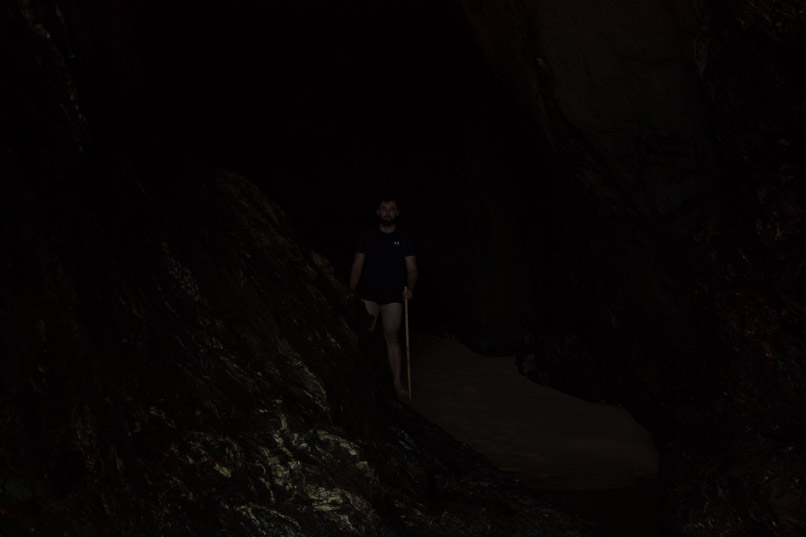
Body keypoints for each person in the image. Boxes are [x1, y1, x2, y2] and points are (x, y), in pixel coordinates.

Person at [349, 197, 418, 397]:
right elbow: (357, 266)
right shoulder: (367, 237)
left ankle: (396, 383)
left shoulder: (404, 239)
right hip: (368, 294)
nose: (387, 212)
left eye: (391, 209)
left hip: (393, 295)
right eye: (384, 208)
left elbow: (412, 269)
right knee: (366, 336)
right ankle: (365, 382)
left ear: (397, 213)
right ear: (378, 212)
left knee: (392, 337)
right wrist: (350, 290)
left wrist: (410, 288)